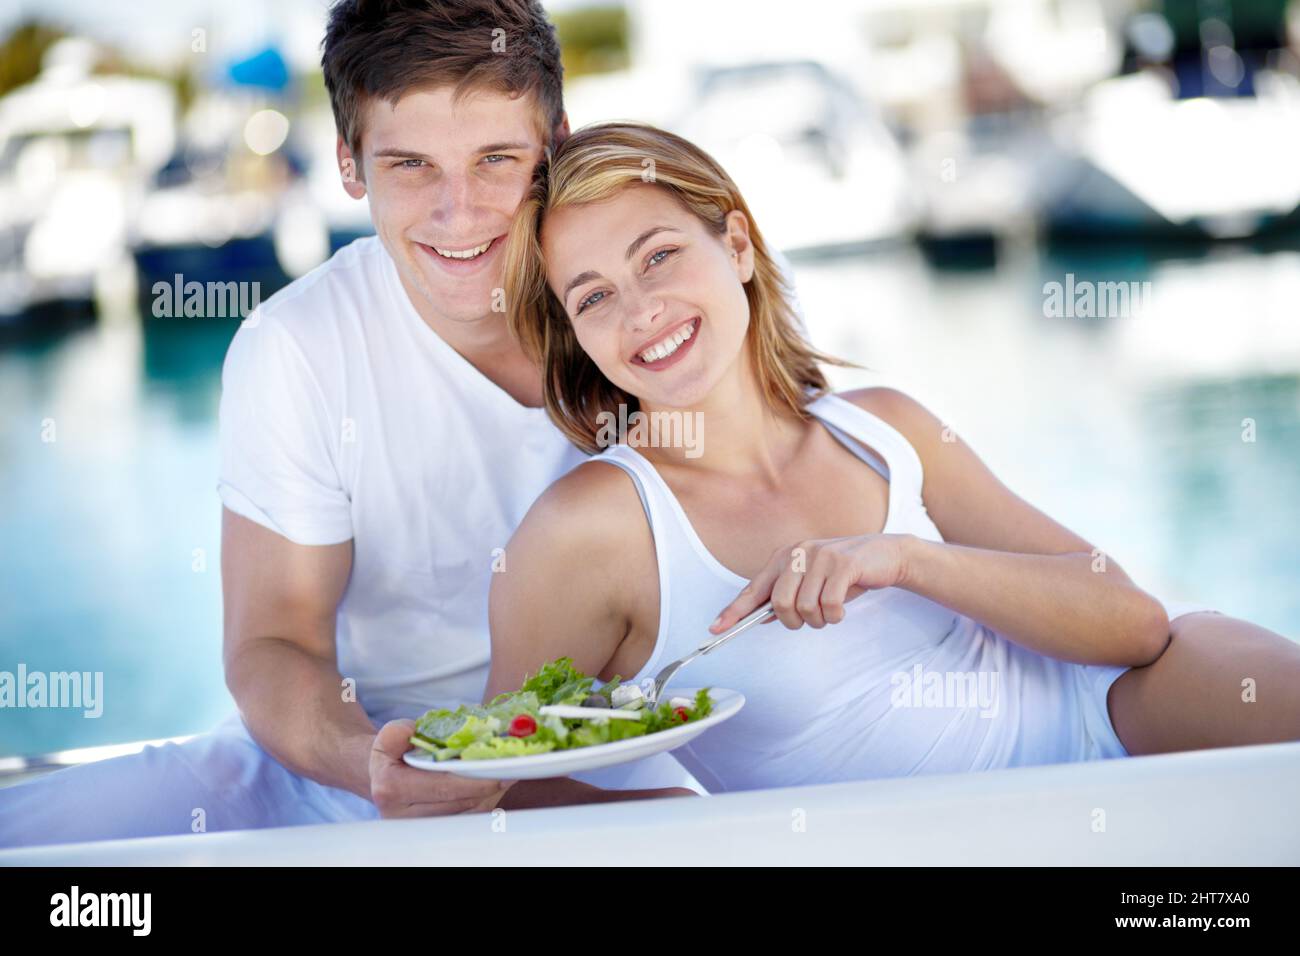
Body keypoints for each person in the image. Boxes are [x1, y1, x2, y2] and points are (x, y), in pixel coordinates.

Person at [0, 0, 697, 850]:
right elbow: (273, 639)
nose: (459, 211)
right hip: (351, 763)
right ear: (349, 163)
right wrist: (375, 760)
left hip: (611, 745)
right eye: (410, 165)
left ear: (556, 140)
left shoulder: (643, 306)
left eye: (496, 160)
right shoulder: (296, 347)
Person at [486, 120, 1300, 790]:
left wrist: (905, 560)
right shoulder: (588, 530)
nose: (640, 309)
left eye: (658, 254)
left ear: (735, 245)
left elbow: (1135, 625)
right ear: (578, 335)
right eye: (593, 296)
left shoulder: (883, 428)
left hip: (1111, 710)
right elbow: (505, 779)